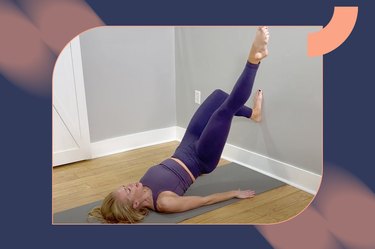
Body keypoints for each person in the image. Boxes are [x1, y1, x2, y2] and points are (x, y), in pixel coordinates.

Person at [89, 26, 270, 223]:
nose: (129, 185)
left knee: (218, 95)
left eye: (124, 186)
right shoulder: (165, 203)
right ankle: (255, 58)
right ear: (135, 204)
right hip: (201, 158)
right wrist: (234, 193)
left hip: (185, 145)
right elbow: (204, 200)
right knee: (224, 111)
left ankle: (254, 114)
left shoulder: (143, 185)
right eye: (127, 190)